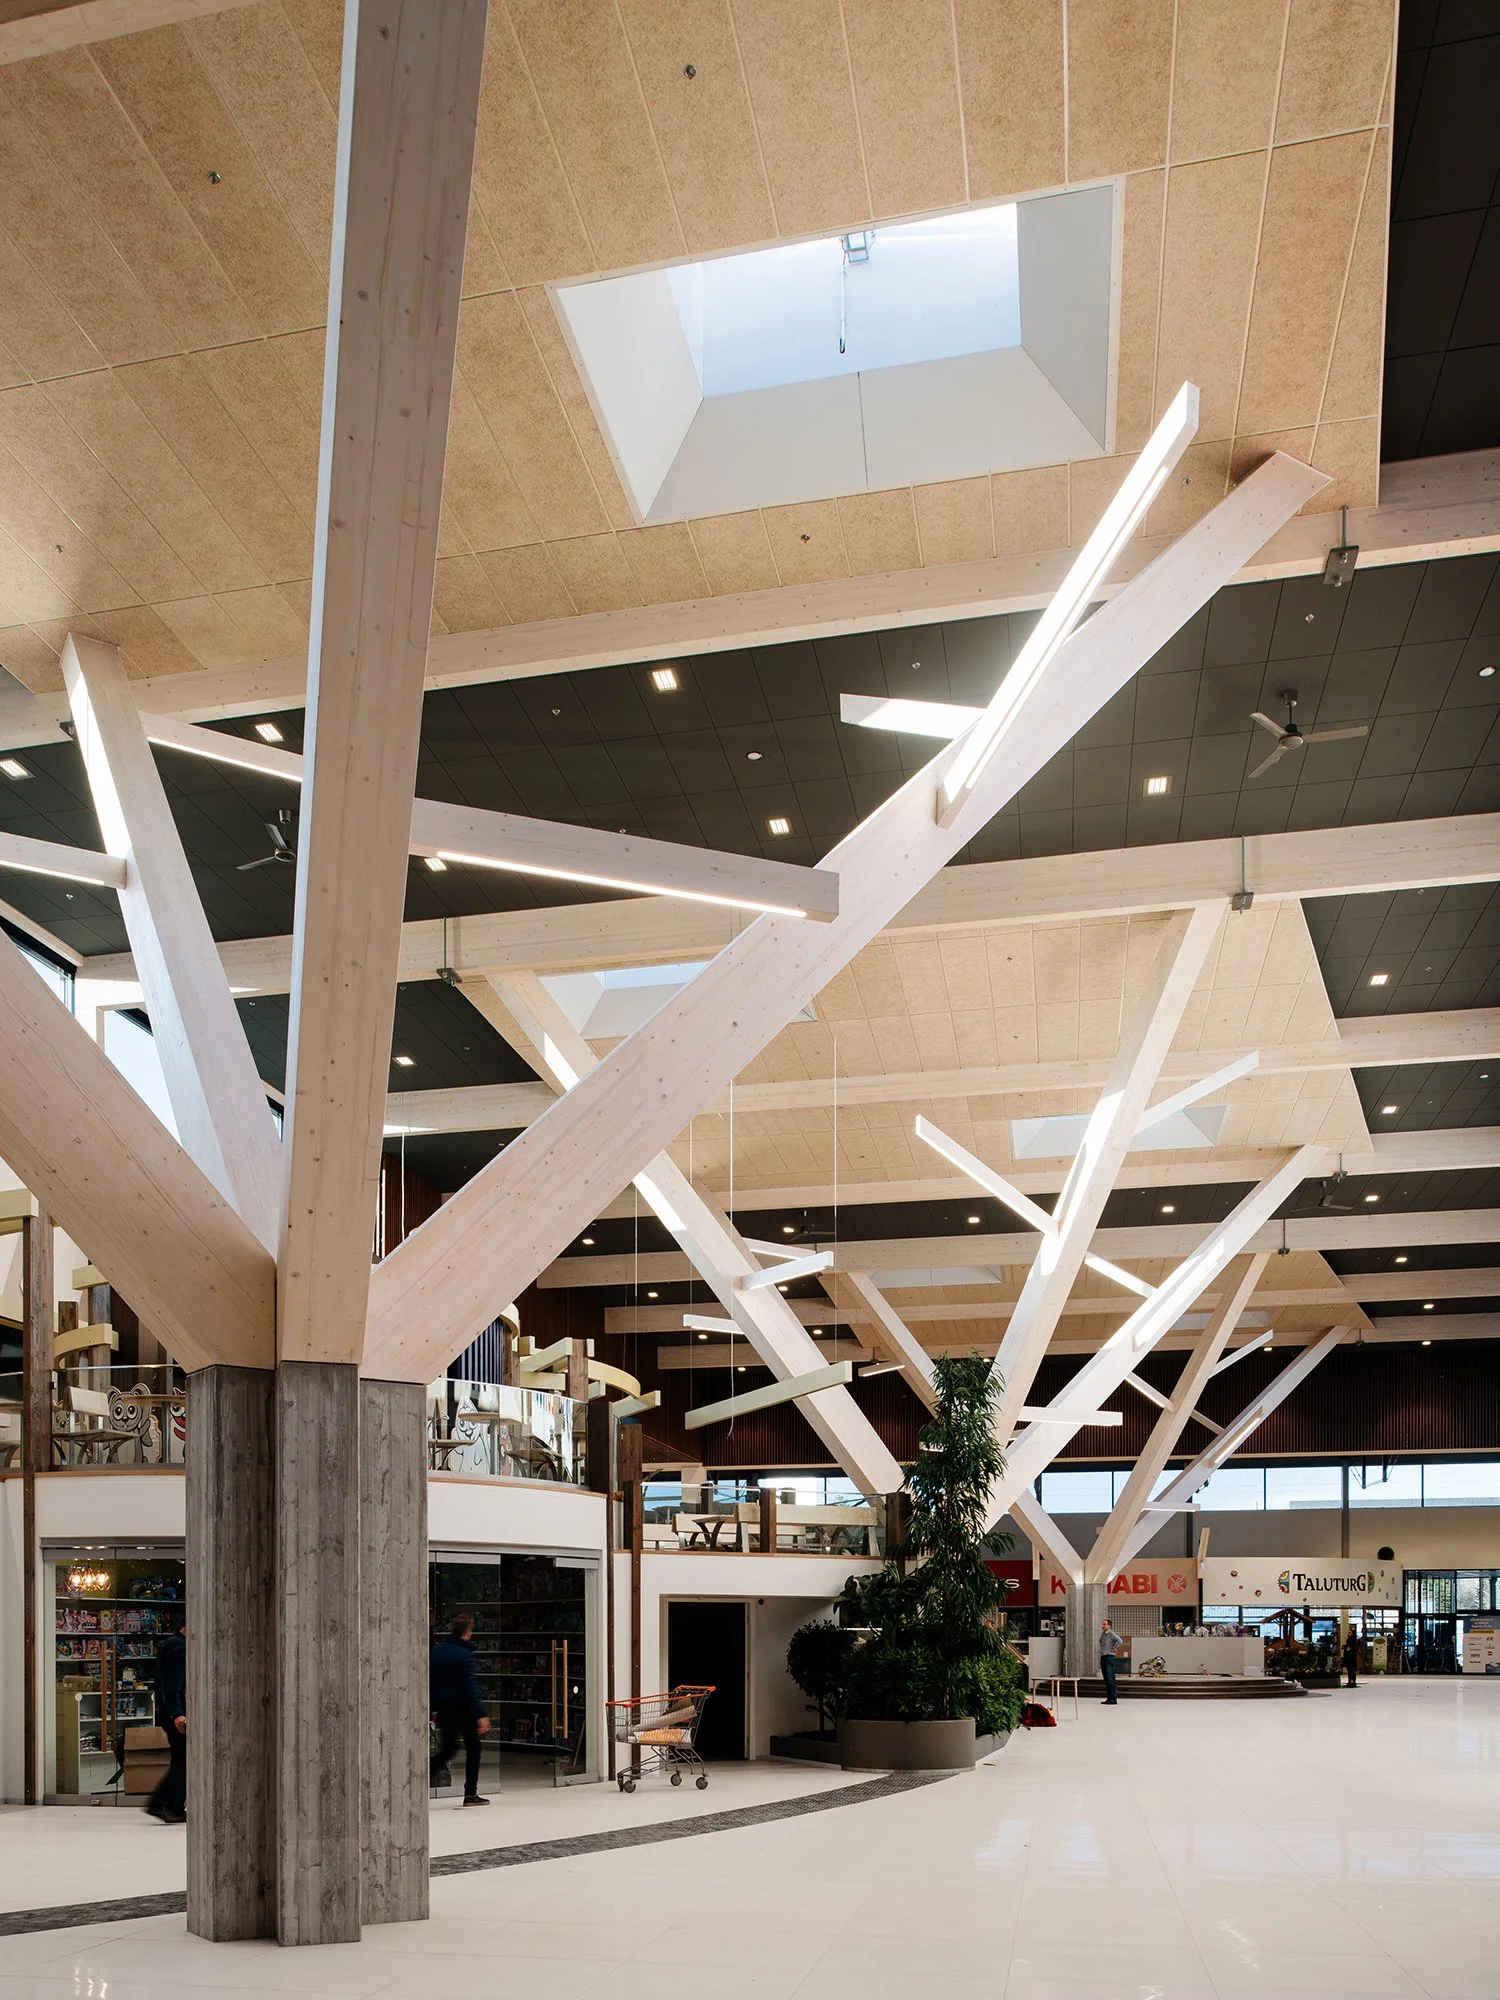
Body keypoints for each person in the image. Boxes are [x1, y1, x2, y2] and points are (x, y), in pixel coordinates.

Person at [430, 1612, 491, 1805]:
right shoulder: (465, 1655)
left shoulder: (437, 1652)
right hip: (465, 1711)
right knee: (474, 1750)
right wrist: (480, 1714)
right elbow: (469, 1687)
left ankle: (420, 1776)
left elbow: (431, 1682)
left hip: (445, 1710)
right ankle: (470, 1793)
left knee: (447, 1751)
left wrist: (434, 1707)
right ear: (467, 1632)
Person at [146, 1625, 187, 1824]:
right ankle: (161, 1803)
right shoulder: (179, 1647)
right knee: (183, 1761)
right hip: (174, 1714)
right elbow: (171, 1684)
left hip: (170, 1711)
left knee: (182, 1760)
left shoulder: (174, 1644)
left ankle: (173, 1806)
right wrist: (177, 1713)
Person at [1099, 1617, 1125, 1705]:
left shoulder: (1111, 1633)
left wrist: (1114, 1647)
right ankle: (1109, 1698)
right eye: (1103, 1624)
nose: (1103, 1625)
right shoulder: (1103, 1634)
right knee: (1106, 1679)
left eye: (1104, 1624)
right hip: (1103, 1656)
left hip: (1109, 1657)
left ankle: (1113, 1699)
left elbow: (1120, 1641)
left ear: (1109, 1626)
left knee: (1110, 1678)